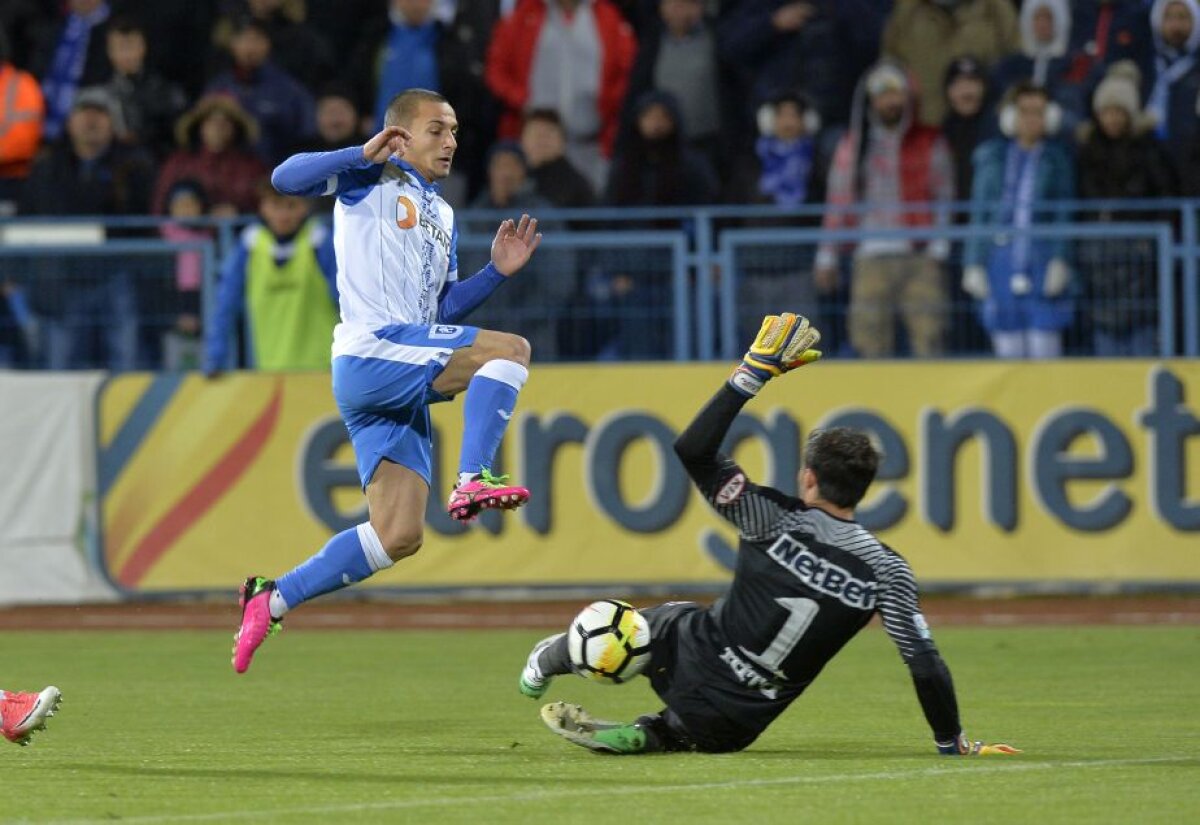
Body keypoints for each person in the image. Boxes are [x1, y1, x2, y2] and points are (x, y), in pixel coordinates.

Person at [518, 313, 1020, 758]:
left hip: (685, 659)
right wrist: (950, 741)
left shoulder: (771, 518)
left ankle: (550, 659)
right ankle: (659, 733)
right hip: (732, 724)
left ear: (808, 478)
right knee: (702, 720)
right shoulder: (886, 570)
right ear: (863, 490)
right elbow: (924, 663)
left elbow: (693, 450)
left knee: (651, 619)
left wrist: (750, 375)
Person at [232, 88, 542, 674]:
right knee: (513, 351)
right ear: (399, 135)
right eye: (436, 130)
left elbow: (441, 310)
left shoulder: (444, 215)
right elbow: (283, 178)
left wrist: (495, 275)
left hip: (396, 368)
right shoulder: (367, 176)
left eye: (454, 131)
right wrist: (359, 152)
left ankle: (270, 599)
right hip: (373, 350)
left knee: (398, 534)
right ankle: (472, 477)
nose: (450, 141)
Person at [815, 61, 955, 359]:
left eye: (896, 94)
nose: (890, 102)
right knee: (868, 340)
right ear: (871, 101)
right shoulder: (854, 144)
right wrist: (827, 252)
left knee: (930, 337)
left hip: (919, 255)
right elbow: (838, 200)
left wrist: (939, 243)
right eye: (882, 95)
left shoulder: (929, 141)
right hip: (870, 257)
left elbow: (944, 195)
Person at [964, 82, 1076, 359]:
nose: (1031, 118)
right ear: (1010, 116)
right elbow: (980, 213)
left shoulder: (1058, 159)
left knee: (1045, 344)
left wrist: (1061, 259)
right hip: (1000, 257)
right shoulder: (991, 157)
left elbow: (1064, 212)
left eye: (1038, 111)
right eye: (1024, 111)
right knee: (1007, 346)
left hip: (1041, 254)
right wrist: (973, 262)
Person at [1075, 61, 1178, 356]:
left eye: (1119, 111)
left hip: (1139, 257)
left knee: (1142, 329)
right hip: (1100, 256)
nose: (1113, 119)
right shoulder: (1087, 151)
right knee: (1105, 333)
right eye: (1107, 111)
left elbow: (1165, 199)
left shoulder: (1149, 151)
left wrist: (1148, 242)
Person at [205, 184, 339, 374]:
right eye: (276, 206)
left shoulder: (320, 241)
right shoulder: (250, 244)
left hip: (324, 369)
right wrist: (215, 357)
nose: (283, 214)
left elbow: (346, 300)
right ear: (263, 207)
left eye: (291, 206)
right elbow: (225, 305)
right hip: (269, 371)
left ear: (304, 207)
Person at [153, 93, 269, 216]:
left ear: (236, 128)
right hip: (181, 235)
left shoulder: (252, 166)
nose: (218, 128)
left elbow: (266, 206)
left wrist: (239, 212)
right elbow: (159, 206)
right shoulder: (177, 163)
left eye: (225, 122)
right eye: (211, 122)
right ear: (200, 127)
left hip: (240, 234)